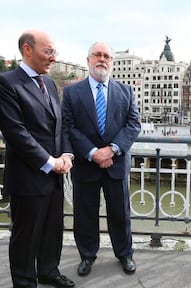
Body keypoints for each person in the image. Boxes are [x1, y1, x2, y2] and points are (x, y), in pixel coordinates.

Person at [0, 30, 75, 287]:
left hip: (54, 176)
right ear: (27, 50)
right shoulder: (7, 83)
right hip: (28, 178)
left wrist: (66, 154)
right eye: (48, 51)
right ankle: (24, 282)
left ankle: (48, 271)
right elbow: (15, 132)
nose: (53, 57)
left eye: (54, 51)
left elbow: (59, 125)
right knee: (25, 237)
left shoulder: (50, 84)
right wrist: (50, 162)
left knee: (52, 231)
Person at [61, 42, 141, 276]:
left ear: (112, 62)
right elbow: (69, 126)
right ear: (88, 60)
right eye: (97, 54)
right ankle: (87, 255)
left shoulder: (126, 91)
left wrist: (112, 149)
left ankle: (125, 254)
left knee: (121, 213)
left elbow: (133, 124)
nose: (102, 59)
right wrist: (93, 152)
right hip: (86, 165)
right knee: (85, 214)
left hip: (115, 163)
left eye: (107, 56)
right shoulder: (72, 92)